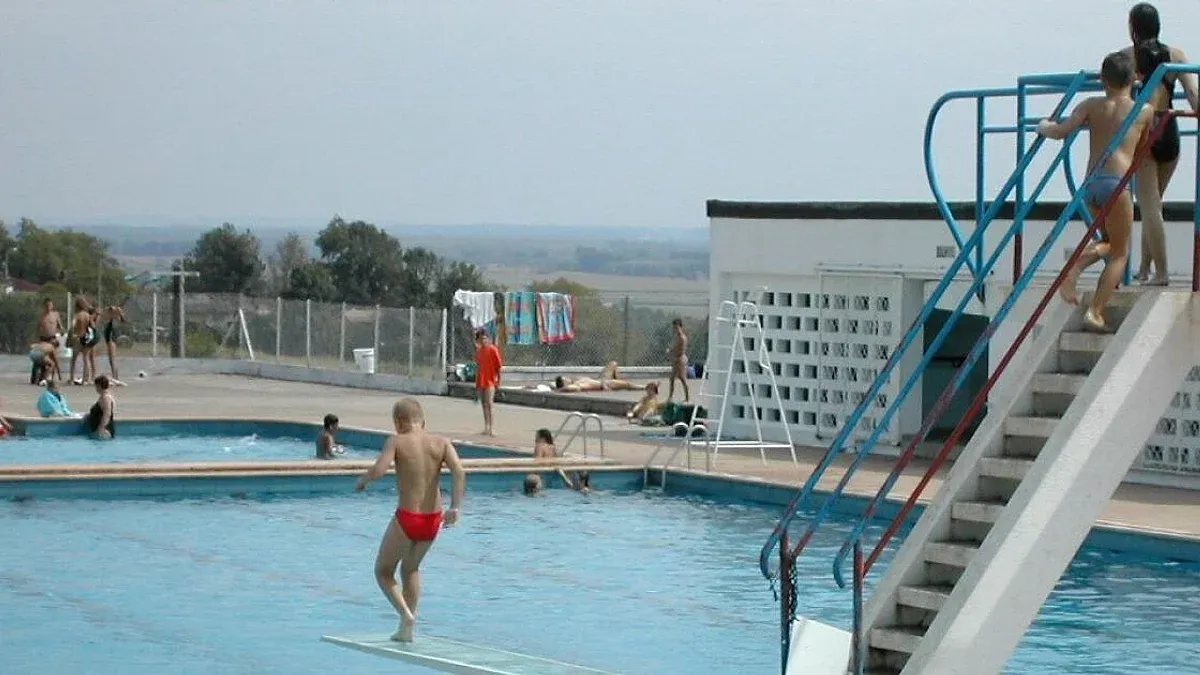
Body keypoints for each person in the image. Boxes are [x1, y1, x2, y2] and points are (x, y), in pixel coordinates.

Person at [1038, 51, 1155, 331]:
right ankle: (1095, 310)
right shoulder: (1144, 110)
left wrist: (1043, 126)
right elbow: (1142, 149)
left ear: (1103, 79)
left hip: (1092, 183)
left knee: (1108, 241)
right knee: (1121, 252)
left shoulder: (1091, 104)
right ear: (1135, 78)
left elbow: (1060, 131)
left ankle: (1075, 269)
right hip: (1117, 185)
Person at [355, 398, 465, 643]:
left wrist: (363, 481)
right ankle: (407, 628)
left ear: (397, 423)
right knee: (411, 568)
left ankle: (406, 615)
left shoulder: (396, 441)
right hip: (433, 520)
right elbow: (459, 471)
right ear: (423, 421)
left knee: (383, 571)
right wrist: (455, 507)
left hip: (408, 518)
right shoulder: (442, 442)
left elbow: (380, 470)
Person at [1122, 3, 1200, 286]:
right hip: (1170, 131)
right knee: (1153, 205)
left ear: (1133, 28)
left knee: (1150, 207)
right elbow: (1194, 94)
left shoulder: (1126, 57)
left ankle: (1162, 273)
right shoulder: (1175, 55)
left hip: (1145, 133)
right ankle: (1145, 270)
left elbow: (1115, 96)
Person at [474, 329, 502, 437]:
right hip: (481, 381)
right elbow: (479, 368)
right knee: (483, 404)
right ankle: (486, 427)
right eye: (481, 339)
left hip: (491, 381)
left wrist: (498, 381)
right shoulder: (479, 352)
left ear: (488, 338)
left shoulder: (493, 350)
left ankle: (492, 428)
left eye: (485, 338)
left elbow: (498, 367)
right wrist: (477, 384)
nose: (483, 340)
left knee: (489, 404)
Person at [35, 298, 63, 380]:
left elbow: (60, 326)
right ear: (44, 306)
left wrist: (61, 332)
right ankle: (43, 375)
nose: (48, 307)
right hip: (43, 339)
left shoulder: (55, 315)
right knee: (44, 359)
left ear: (52, 306)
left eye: (50, 305)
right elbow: (37, 329)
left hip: (52, 339)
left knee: (54, 358)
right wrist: (36, 340)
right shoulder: (41, 316)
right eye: (47, 305)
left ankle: (56, 375)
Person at [84, 374, 116, 439]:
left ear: (99, 386)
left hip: (103, 431)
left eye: (96, 386)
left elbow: (107, 414)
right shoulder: (105, 396)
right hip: (102, 430)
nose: (95, 388)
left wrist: (101, 428)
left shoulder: (105, 398)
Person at [101, 305, 127, 384]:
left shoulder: (114, 320)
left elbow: (117, 312)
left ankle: (115, 376)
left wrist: (116, 310)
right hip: (110, 340)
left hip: (111, 340)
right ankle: (115, 376)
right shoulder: (112, 320)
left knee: (112, 360)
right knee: (111, 360)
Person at [667, 318, 690, 403]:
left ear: (680, 327)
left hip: (680, 360)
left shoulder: (682, 338)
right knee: (674, 378)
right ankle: (671, 397)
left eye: (676, 327)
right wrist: (670, 351)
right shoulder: (677, 337)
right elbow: (675, 347)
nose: (675, 329)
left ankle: (687, 398)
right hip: (676, 359)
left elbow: (681, 350)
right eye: (674, 328)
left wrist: (674, 357)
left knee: (681, 378)